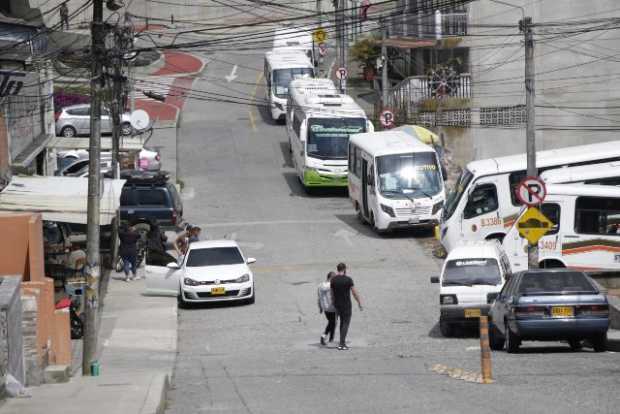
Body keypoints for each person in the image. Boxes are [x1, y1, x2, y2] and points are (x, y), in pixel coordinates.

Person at [330, 262, 362, 350]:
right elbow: (354, 292)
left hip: (337, 305)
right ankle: (342, 344)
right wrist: (359, 302)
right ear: (344, 269)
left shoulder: (333, 280)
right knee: (346, 323)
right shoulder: (348, 279)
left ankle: (341, 341)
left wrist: (333, 303)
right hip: (346, 304)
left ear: (337, 269)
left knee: (342, 322)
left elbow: (331, 293)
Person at [318, 271, 337, 346]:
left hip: (325, 307)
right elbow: (334, 296)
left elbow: (319, 297)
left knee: (332, 322)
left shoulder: (320, 285)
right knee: (332, 323)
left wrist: (320, 307)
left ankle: (331, 338)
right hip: (331, 307)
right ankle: (324, 336)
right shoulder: (332, 285)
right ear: (331, 277)